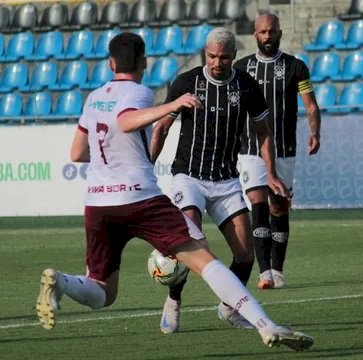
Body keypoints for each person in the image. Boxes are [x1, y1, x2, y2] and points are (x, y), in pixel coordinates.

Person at [35, 32, 314, 352]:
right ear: (143, 62)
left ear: (110, 63)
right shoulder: (141, 92)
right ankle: (266, 325)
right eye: (212, 56)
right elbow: (127, 122)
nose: (217, 62)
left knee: (102, 294)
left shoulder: (94, 97)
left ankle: (61, 280)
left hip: (99, 203)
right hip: (142, 198)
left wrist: (113, 155)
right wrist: (171, 105)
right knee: (205, 259)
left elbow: (77, 153)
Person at [150, 27, 290, 334]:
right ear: (205, 53)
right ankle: (173, 301)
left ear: (233, 56)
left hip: (226, 181)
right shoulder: (187, 83)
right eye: (212, 56)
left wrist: (272, 173)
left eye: (224, 57)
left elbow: (264, 133)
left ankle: (228, 308)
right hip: (189, 176)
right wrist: (147, 168)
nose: (217, 62)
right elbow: (160, 128)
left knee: (245, 255)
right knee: (188, 240)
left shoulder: (247, 86)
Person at [234, 13, 322, 290]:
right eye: (262, 32)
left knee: (279, 207)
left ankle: (278, 268)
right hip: (250, 149)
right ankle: (264, 274)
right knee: (257, 205)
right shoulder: (241, 68)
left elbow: (310, 104)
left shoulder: (296, 67)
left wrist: (315, 132)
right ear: (255, 35)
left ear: (279, 32)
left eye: (271, 31)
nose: (267, 36)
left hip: (285, 148)